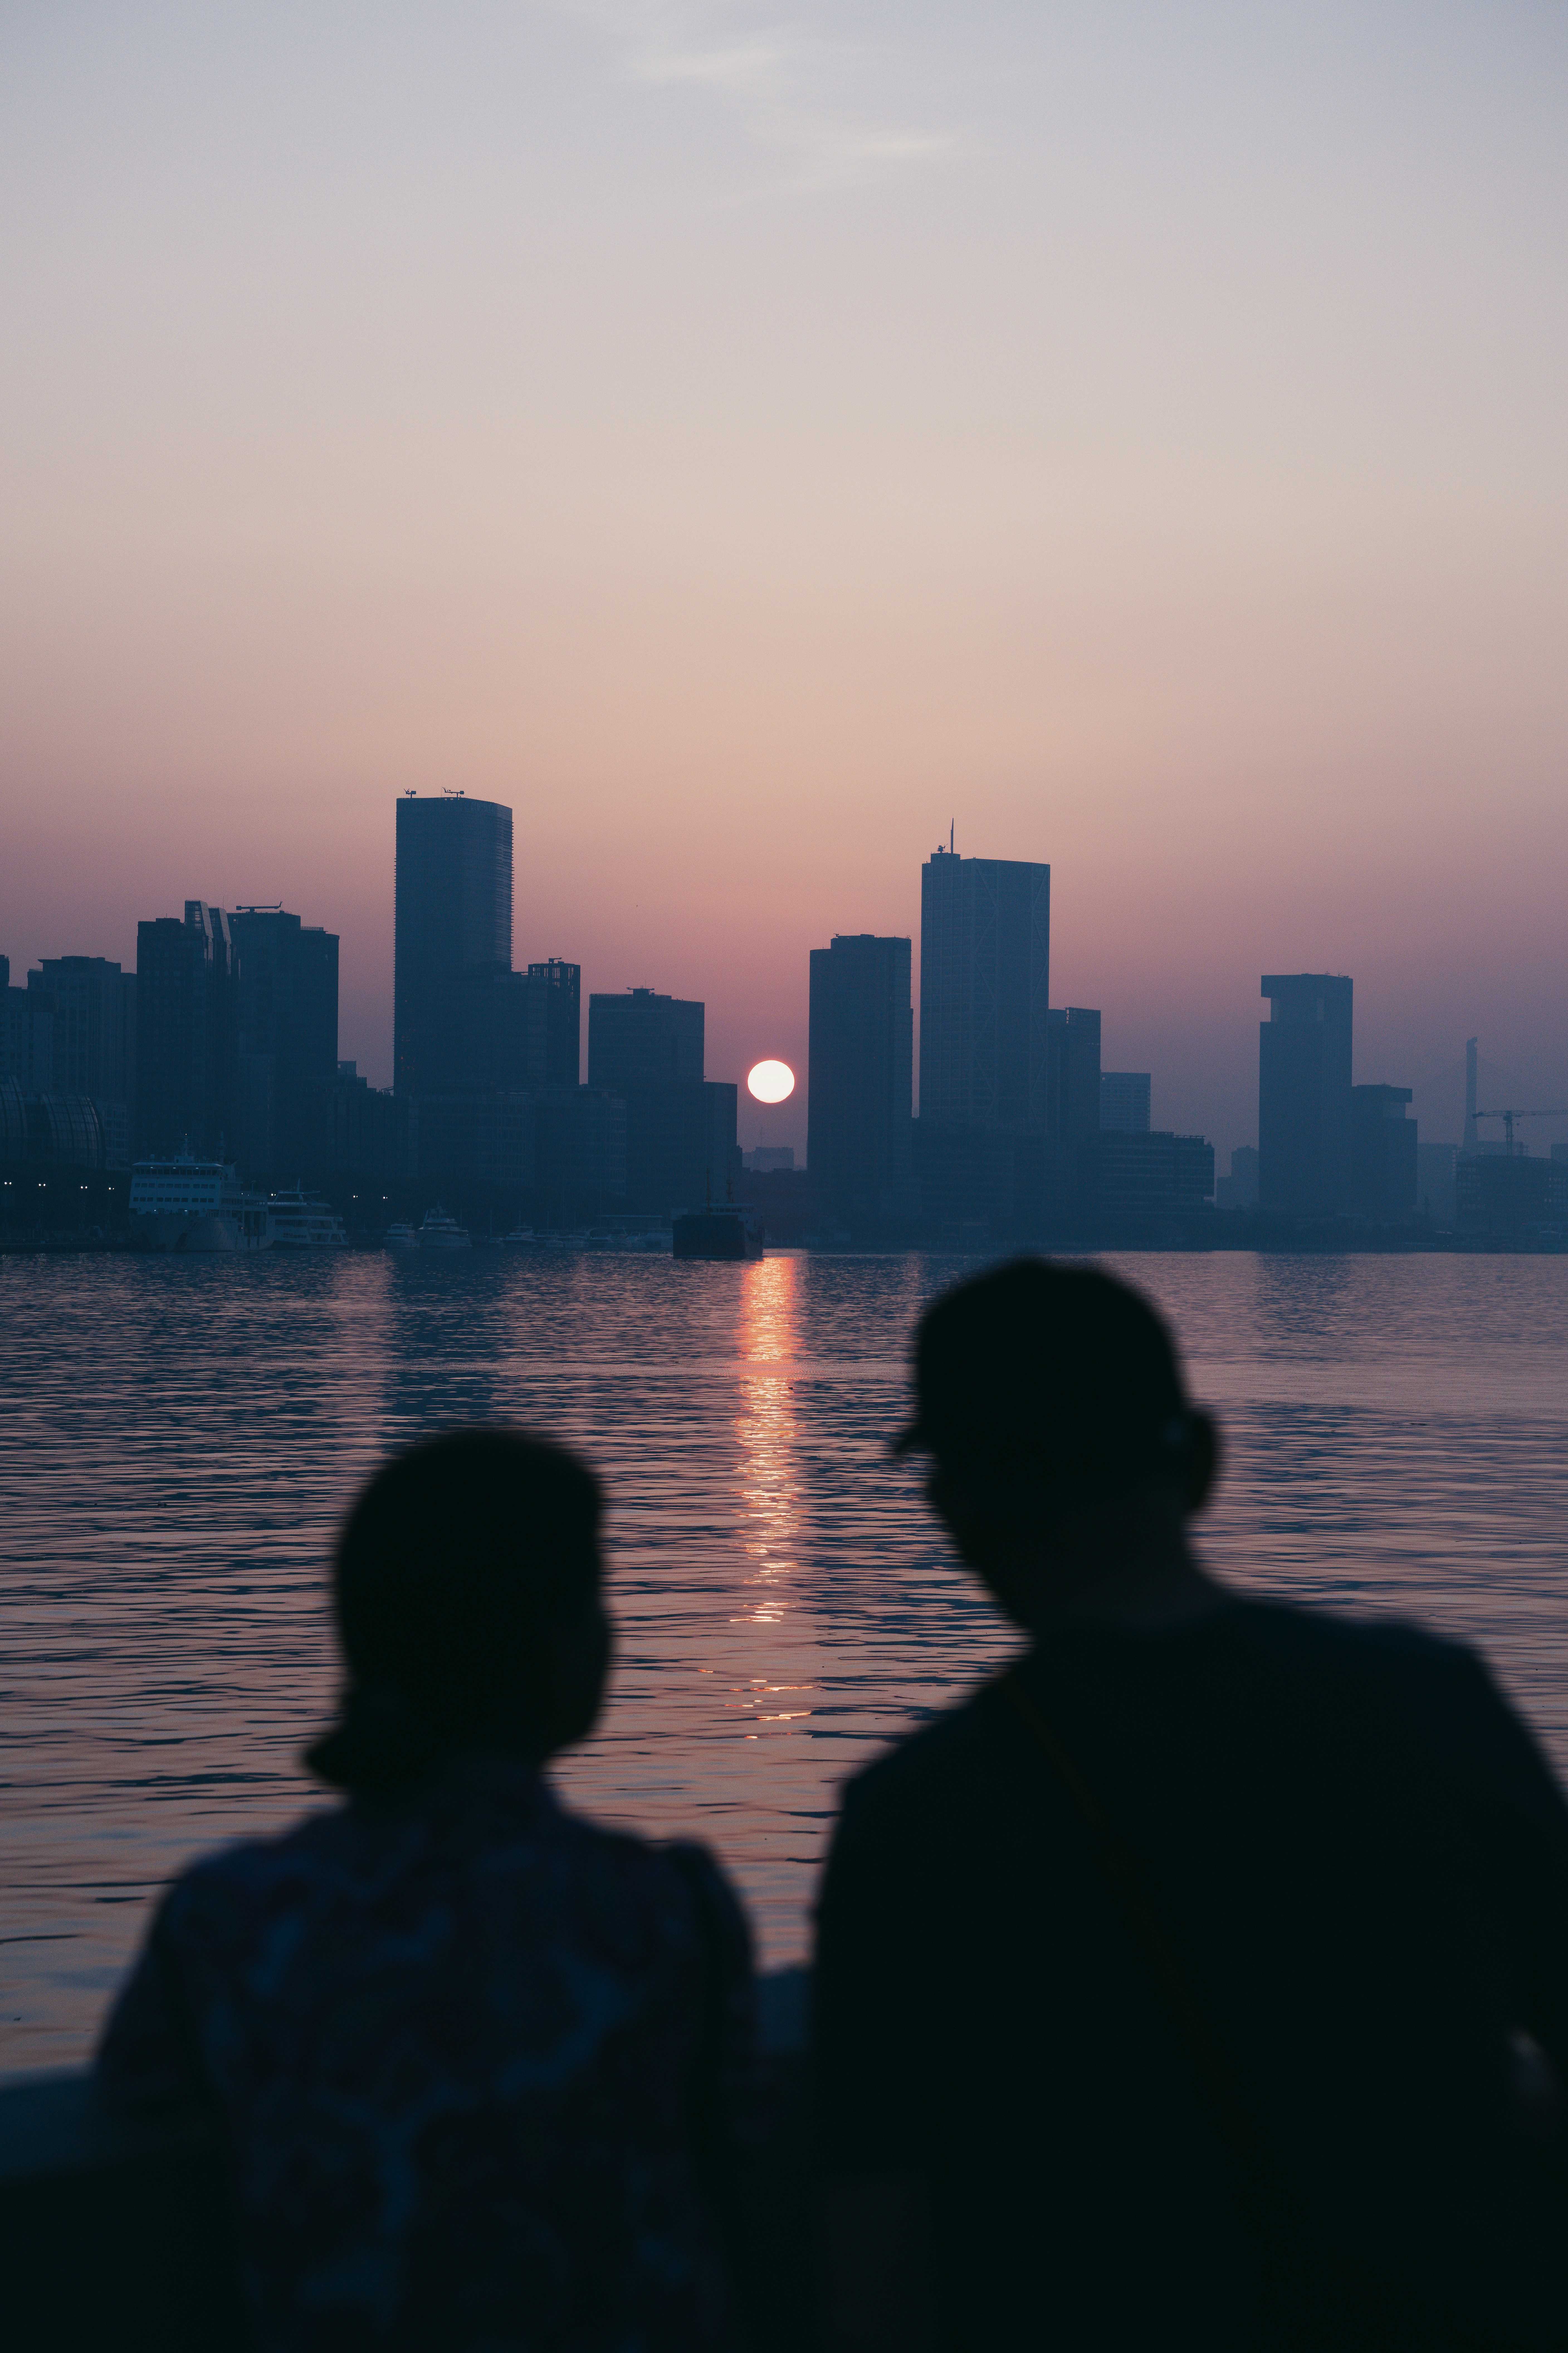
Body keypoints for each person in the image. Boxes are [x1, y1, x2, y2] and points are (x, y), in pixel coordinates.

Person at [812, 1260, 1568, 2352]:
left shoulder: (916, 1816)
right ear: (1205, 1463)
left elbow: (874, 2257)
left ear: (952, 1506)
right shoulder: (1432, 1705)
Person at [97, 1428, 757, 2353]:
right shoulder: (664, 1915)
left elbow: (141, 2092)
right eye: (598, 1598)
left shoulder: (231, 1921)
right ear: (559, 1651)